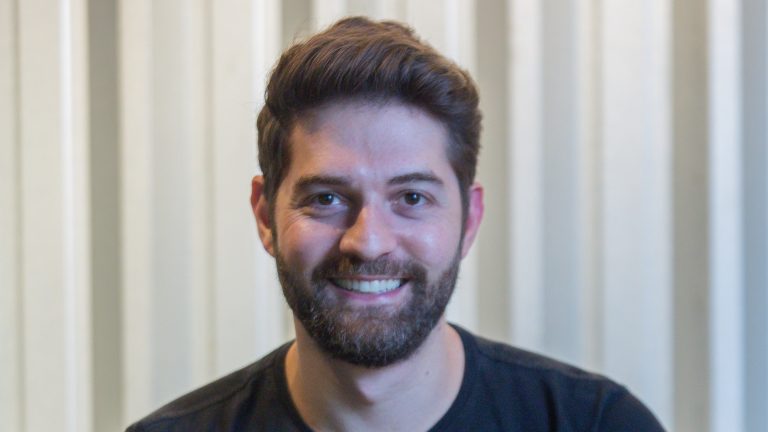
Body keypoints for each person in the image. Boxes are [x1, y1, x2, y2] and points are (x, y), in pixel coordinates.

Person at [127, 16, 664, 431]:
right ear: (266, 215)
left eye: (411, 197)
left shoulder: (596, 423)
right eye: (326, 198)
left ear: (469, 219)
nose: (368, 242)